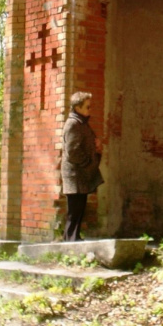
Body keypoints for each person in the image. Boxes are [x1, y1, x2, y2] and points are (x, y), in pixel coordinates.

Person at [61, 91, 103, 242]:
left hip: (81, 173)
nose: (90, 110)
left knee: (79, 208)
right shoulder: (73, 124)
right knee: (75, 209)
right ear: (78, 107)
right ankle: (71, 241)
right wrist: (87, 163)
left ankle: (72, 238)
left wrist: (96, 147)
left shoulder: (81, 123)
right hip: (75, 173)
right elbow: (72, 151)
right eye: (87, 107)